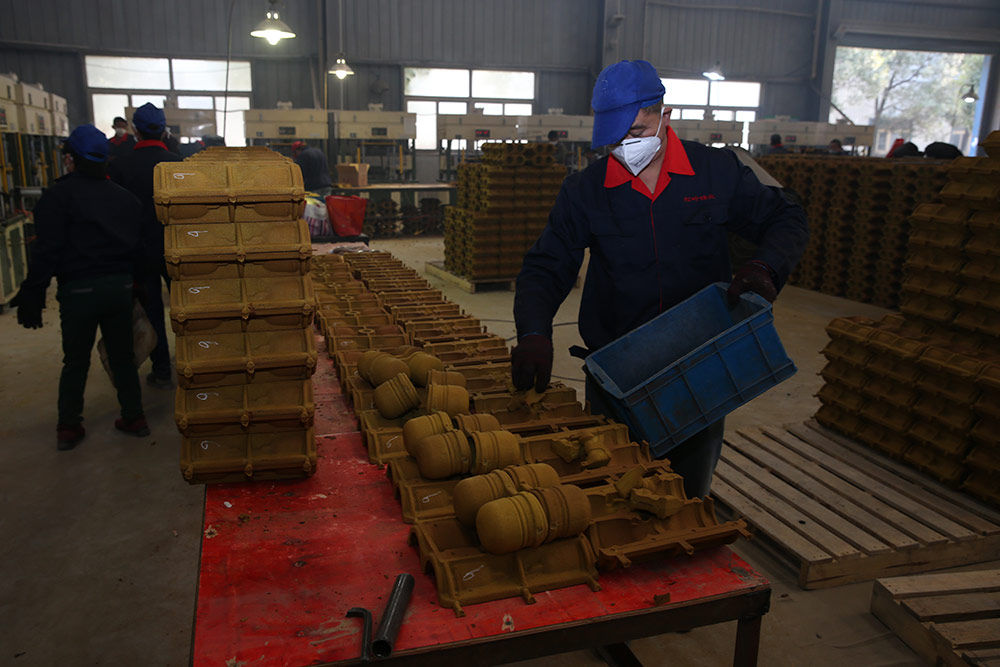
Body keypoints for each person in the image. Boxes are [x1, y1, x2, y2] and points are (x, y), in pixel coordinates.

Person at [512, 60, 808, 499]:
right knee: (609, 489)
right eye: (615, 137)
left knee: (684, 495)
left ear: (665, 115)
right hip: (617, 372)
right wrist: (534, 332)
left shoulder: (717, 171)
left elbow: (787, 216)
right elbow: (546, 266)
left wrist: (766, 266)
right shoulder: (586, 191)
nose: (624, 146)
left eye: (635, 132)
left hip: (699, 367)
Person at [10, 124, 149, 450]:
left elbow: (47, 251)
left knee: (75, 360)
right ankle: (134, 417)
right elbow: (138, 251)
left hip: (78, 292)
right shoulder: (125, 199)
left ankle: (69, 426)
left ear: (71, 159)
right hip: (118, 289)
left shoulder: (57, 199)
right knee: (123, 357)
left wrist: (34, 291)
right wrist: (137, 287)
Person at [109, 103, 183, 390]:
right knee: (187, 309)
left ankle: (162, 369)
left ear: (135, 130)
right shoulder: (178, 164)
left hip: (139, 252)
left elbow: (117, 216)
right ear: (163, 131)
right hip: (178, 248)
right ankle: (194, 362)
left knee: (152, 311)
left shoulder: (120, 166)